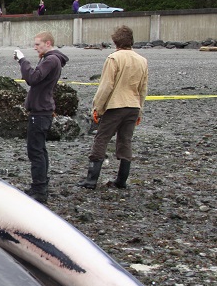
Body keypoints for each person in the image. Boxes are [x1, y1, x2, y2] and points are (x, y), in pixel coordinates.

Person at [78, 25, 148, 190]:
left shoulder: (114, 59)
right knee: (125, 141)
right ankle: (121, 180)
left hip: (116, 106)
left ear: (115, 42)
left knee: (101, 139)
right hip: (133, 106)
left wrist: (97, 108)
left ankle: (91, 180)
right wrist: (140, 111)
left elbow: (106, 87)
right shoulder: (142, 61)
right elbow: (143, 89)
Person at [14, 32, 68, 203]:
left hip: (40, 112)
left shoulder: (51, 60)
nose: (35, 47)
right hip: (42, 111)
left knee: (35, 150)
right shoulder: (51, 60)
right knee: (40, 150)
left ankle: (40, 189)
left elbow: (33, 78)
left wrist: (23, 61)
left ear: (48, 43)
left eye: (38, 44)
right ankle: (40, 185)